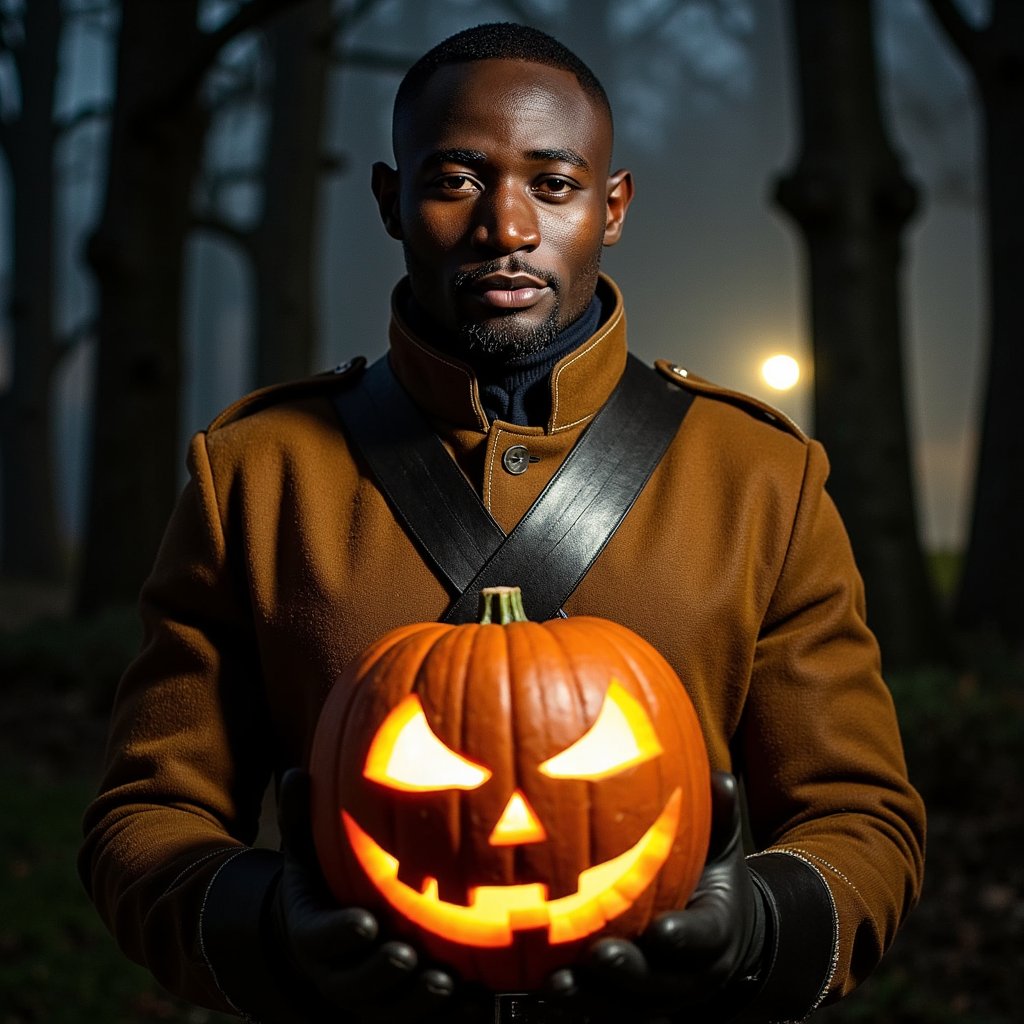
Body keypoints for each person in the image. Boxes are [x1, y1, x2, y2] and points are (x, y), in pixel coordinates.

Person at [79, 21, 925, 1024]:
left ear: (610, 208)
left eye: (554, 185)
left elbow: (860, 815)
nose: (507, 226)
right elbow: (147, 814)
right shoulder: (259, 476)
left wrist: (761, 931)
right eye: (458, 180)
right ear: (393, 202)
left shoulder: (757, 478)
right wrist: (272, 930)